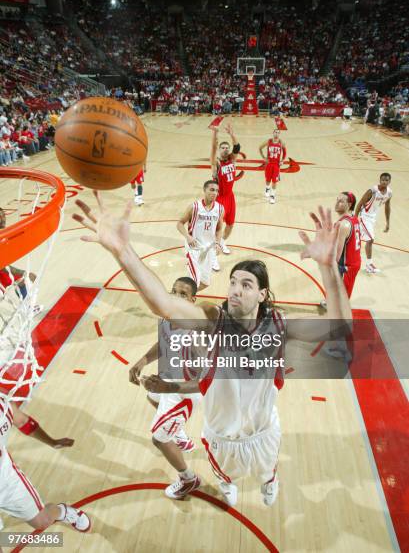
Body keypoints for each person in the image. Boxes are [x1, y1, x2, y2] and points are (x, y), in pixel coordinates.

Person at [73, 194, 351, 508]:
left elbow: (339, 326)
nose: (235, 288)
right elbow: (163, 305)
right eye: (233, 281)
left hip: (263, 429)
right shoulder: (212, 319)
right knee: (224, 473)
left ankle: (269, 481)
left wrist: (329, 269)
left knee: (267, 469)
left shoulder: (279, 326)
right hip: (221, 432)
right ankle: (226, 483)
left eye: (246, 284)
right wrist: (124, 252)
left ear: (262, 294)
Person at [128, 277, 203, 498]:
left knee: (158, 439)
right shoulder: (167, 317)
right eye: (174, 292)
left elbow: (204, 381)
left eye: (183, 294)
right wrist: (142, 360)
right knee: (152, 396)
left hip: (186, 392)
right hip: (168, 383)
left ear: (193, 299)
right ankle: (179, 434)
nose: (177, 297)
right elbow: (163, 343)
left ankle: (188, 479)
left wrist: (169, 388)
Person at [0, 395, 90, 535]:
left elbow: (23, 421)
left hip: (5, 479)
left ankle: (62, 511)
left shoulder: (3, 405)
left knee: (42, 521)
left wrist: (52, 442)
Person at [176, 180, 223, 290]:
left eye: (217, 191)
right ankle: (181, 302)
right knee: (194, 282)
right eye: (212, 190)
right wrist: (188, 237)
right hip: (194, 248)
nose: (215, 193)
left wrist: (217, 243)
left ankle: (179, 297)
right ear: (204, 190)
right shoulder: (194, 207)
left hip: (208, 249)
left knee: (205, 283)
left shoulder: (220, 209)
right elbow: (180, 223)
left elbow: (219, 229)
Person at [210, 123, 240, 268]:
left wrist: (232, 133)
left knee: (231, 224)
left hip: (230, 197)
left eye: (227, 147)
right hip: (220, 198)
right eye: (223, 147)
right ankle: (213, 258)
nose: (225, 149)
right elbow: (213, 147)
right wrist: (215, 133)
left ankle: (222, 242)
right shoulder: (216, 163)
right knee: (218, 229)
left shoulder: (232, 159)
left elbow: (237, 147)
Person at [355, 173, 392, 273]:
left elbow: (387, 207)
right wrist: (355, 217)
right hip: (364, 217)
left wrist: (388, 222)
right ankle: (369, 265)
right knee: (370, 239)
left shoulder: (389, 193)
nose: (384, 181)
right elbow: (360, 202)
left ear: (389, 181)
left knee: (362, 238)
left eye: (387, 180)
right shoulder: (372, 191)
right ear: (380, 180)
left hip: (373, 218)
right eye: (383, 180)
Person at [259, 129, 287, 204]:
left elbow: (284, 152)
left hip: (276, 165)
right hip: (269, 164)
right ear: (273, 133)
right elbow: (260, 148)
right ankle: (267, 188)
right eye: (275, 132)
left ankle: (272, 196)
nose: (276, 134)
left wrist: (282, 160)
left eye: (278, 133)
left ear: (279, 134)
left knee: (274, 181)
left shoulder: (281, 143)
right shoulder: (268, 141)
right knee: (268, 180)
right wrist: (264, 157)